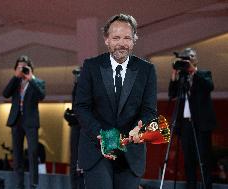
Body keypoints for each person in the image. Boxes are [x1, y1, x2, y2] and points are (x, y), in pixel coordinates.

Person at [74, 14, 157, 189]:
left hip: (130, 154)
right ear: (107, 40)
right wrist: (105, 137)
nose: (122, 43)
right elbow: (81, 107)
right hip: (97, 150)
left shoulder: (147, 70)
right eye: (116, 37)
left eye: (127, 37)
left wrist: (140, 128)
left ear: (134, 40)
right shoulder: (91, 66)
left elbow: (149, 110)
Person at [168, 48, 217, 189]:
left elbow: (210, 86)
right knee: (188, 161)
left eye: (189, 59)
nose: (186, 62)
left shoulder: (204, 74)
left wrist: (192, 71)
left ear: (195, 59)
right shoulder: (182, 78)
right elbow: (172, 94)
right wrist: (174, 73)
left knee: (203, 160)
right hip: (185, 125)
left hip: (201, 124)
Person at [3, 55, 45, 189]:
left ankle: (33, 185)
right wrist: (15, 76)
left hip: (31, 122)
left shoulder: (37, 82)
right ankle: (19, 185)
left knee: (33, 153)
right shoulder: (15, 83)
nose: (21, 69)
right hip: (16, 121)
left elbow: (41, 96)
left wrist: (30, 78)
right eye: (19, 67)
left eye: (24, 67)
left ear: (30, 68)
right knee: (17, 155)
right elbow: (5, 94)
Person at [64, 67, 84, 189]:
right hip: (76, 129)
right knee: (74, 162)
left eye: (79, 75)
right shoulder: (76, 89)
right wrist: (70, 116)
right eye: (76, 75)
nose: (77, 77)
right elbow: (76, 108)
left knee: (82, 164)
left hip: (86, 131)